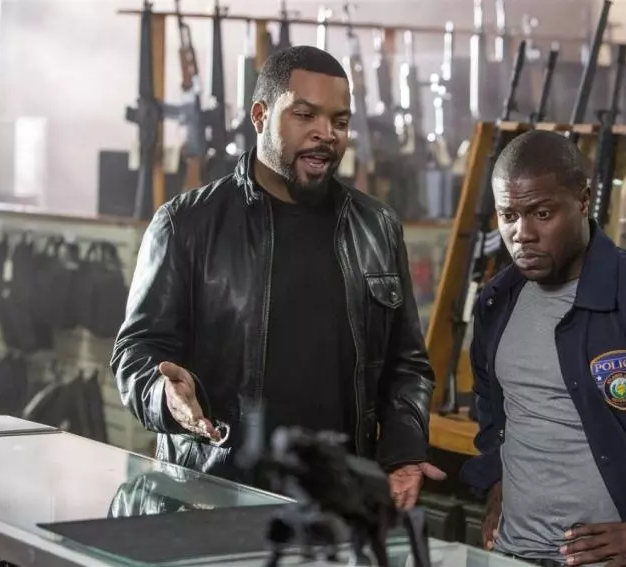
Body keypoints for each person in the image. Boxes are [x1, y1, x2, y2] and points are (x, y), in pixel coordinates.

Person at [111, 45, 445, 509]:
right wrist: (163, 397)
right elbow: (135, 353)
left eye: (340, 121)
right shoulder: (185, 224)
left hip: (338, 503)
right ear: (260, 115)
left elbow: (406, 365)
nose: (325, 133)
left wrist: (404, 451)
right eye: (304, 115)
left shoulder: (377, 227)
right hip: (216, 498)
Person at [460, 130, 626, 567]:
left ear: (584, 201)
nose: (522, 234)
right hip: (513, 553)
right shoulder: (496, 302)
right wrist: (497, 478)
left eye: (542, 213)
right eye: (508, 215)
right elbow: (494, 408)